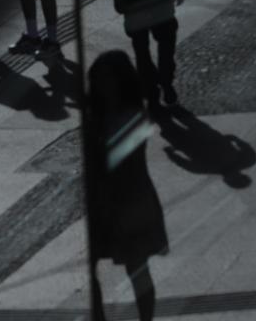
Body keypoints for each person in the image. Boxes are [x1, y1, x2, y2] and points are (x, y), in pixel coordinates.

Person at [87, 50, 168, 321]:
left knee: (137, 266)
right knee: (90, 267)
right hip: (104, 200)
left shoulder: (135, 116)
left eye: (107, 80)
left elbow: (125, 160)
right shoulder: (97, 117)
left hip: (132, 200)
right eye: (99, 81)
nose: (102, 86)